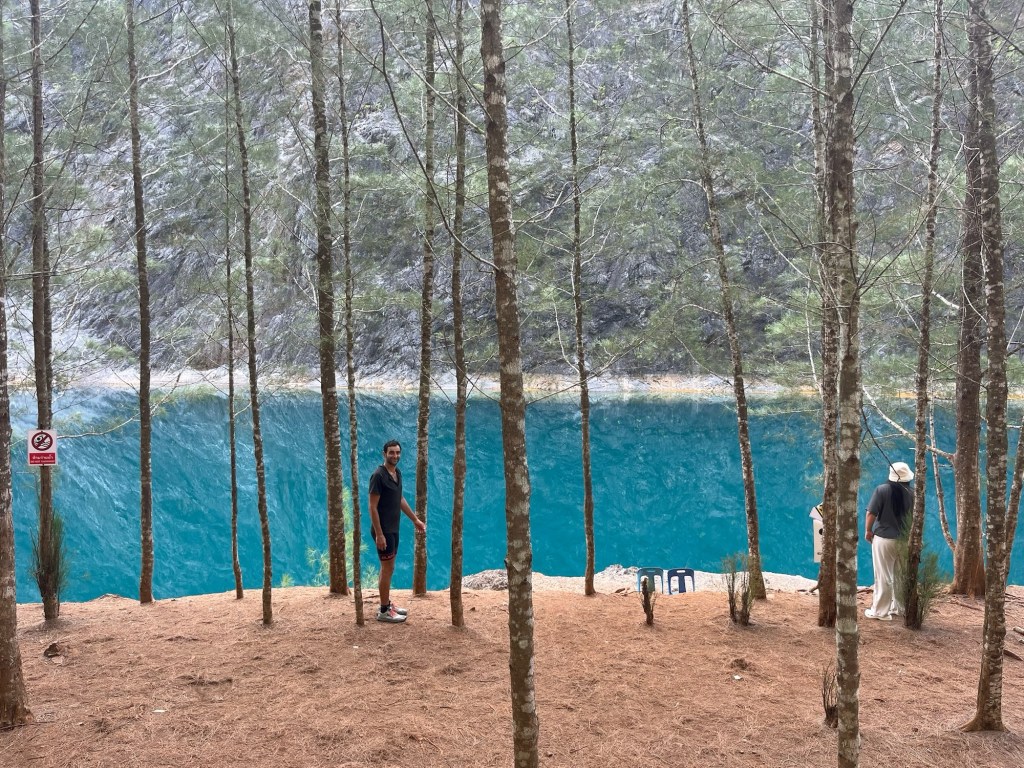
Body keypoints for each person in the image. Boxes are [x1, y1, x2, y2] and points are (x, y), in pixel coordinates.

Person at [368, 439, 426, 623]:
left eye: (398, 452)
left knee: (389, 568)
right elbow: (372, 507)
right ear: (384, 454)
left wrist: (415, 520)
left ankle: (386, 604)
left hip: (393, 529)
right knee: (387, 568)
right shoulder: (378, 476)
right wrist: (379, 534)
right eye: (391, 452)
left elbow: (399, 499)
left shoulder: (397, 473)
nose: (395, 455)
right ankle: (384, 611)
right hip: (383, 531)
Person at [863, 460, 914, 621]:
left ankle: (880, 612)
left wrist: (868, 530)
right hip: (905, 540)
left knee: (883, 575)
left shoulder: (882, 490)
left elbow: (871, 513)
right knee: (900, 576)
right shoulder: (913, 493)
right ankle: (899, 608)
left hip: (884, 539)